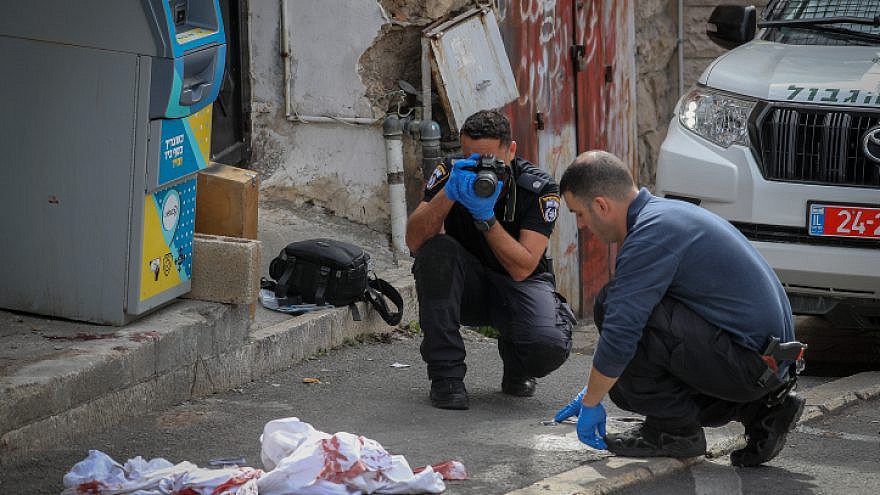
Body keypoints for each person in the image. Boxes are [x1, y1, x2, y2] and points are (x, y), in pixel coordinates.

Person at [554, 150, 805, 467]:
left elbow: (622, 330)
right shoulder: (667, 214)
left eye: (579, 213)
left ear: (601, 205)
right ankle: (762, 412)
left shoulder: (651, 234)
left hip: (749, 365)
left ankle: (673, 433)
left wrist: (591, 401)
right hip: (767, 367)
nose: (580, 225)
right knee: (623, 365)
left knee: (613, 307)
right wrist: (595, 387)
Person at [405, 109, 576, 410]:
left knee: (545, 347)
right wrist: (450, 193)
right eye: (472, 159)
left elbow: (523, 267)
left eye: (491, 160)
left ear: (510, 151)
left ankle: (518, 360)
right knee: (435, 252)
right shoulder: (451, 174)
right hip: (468, 286)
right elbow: (414, 240)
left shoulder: (536, 188)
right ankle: (446, 377)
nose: (482, 168)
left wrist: (486, 217)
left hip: (518, 286)